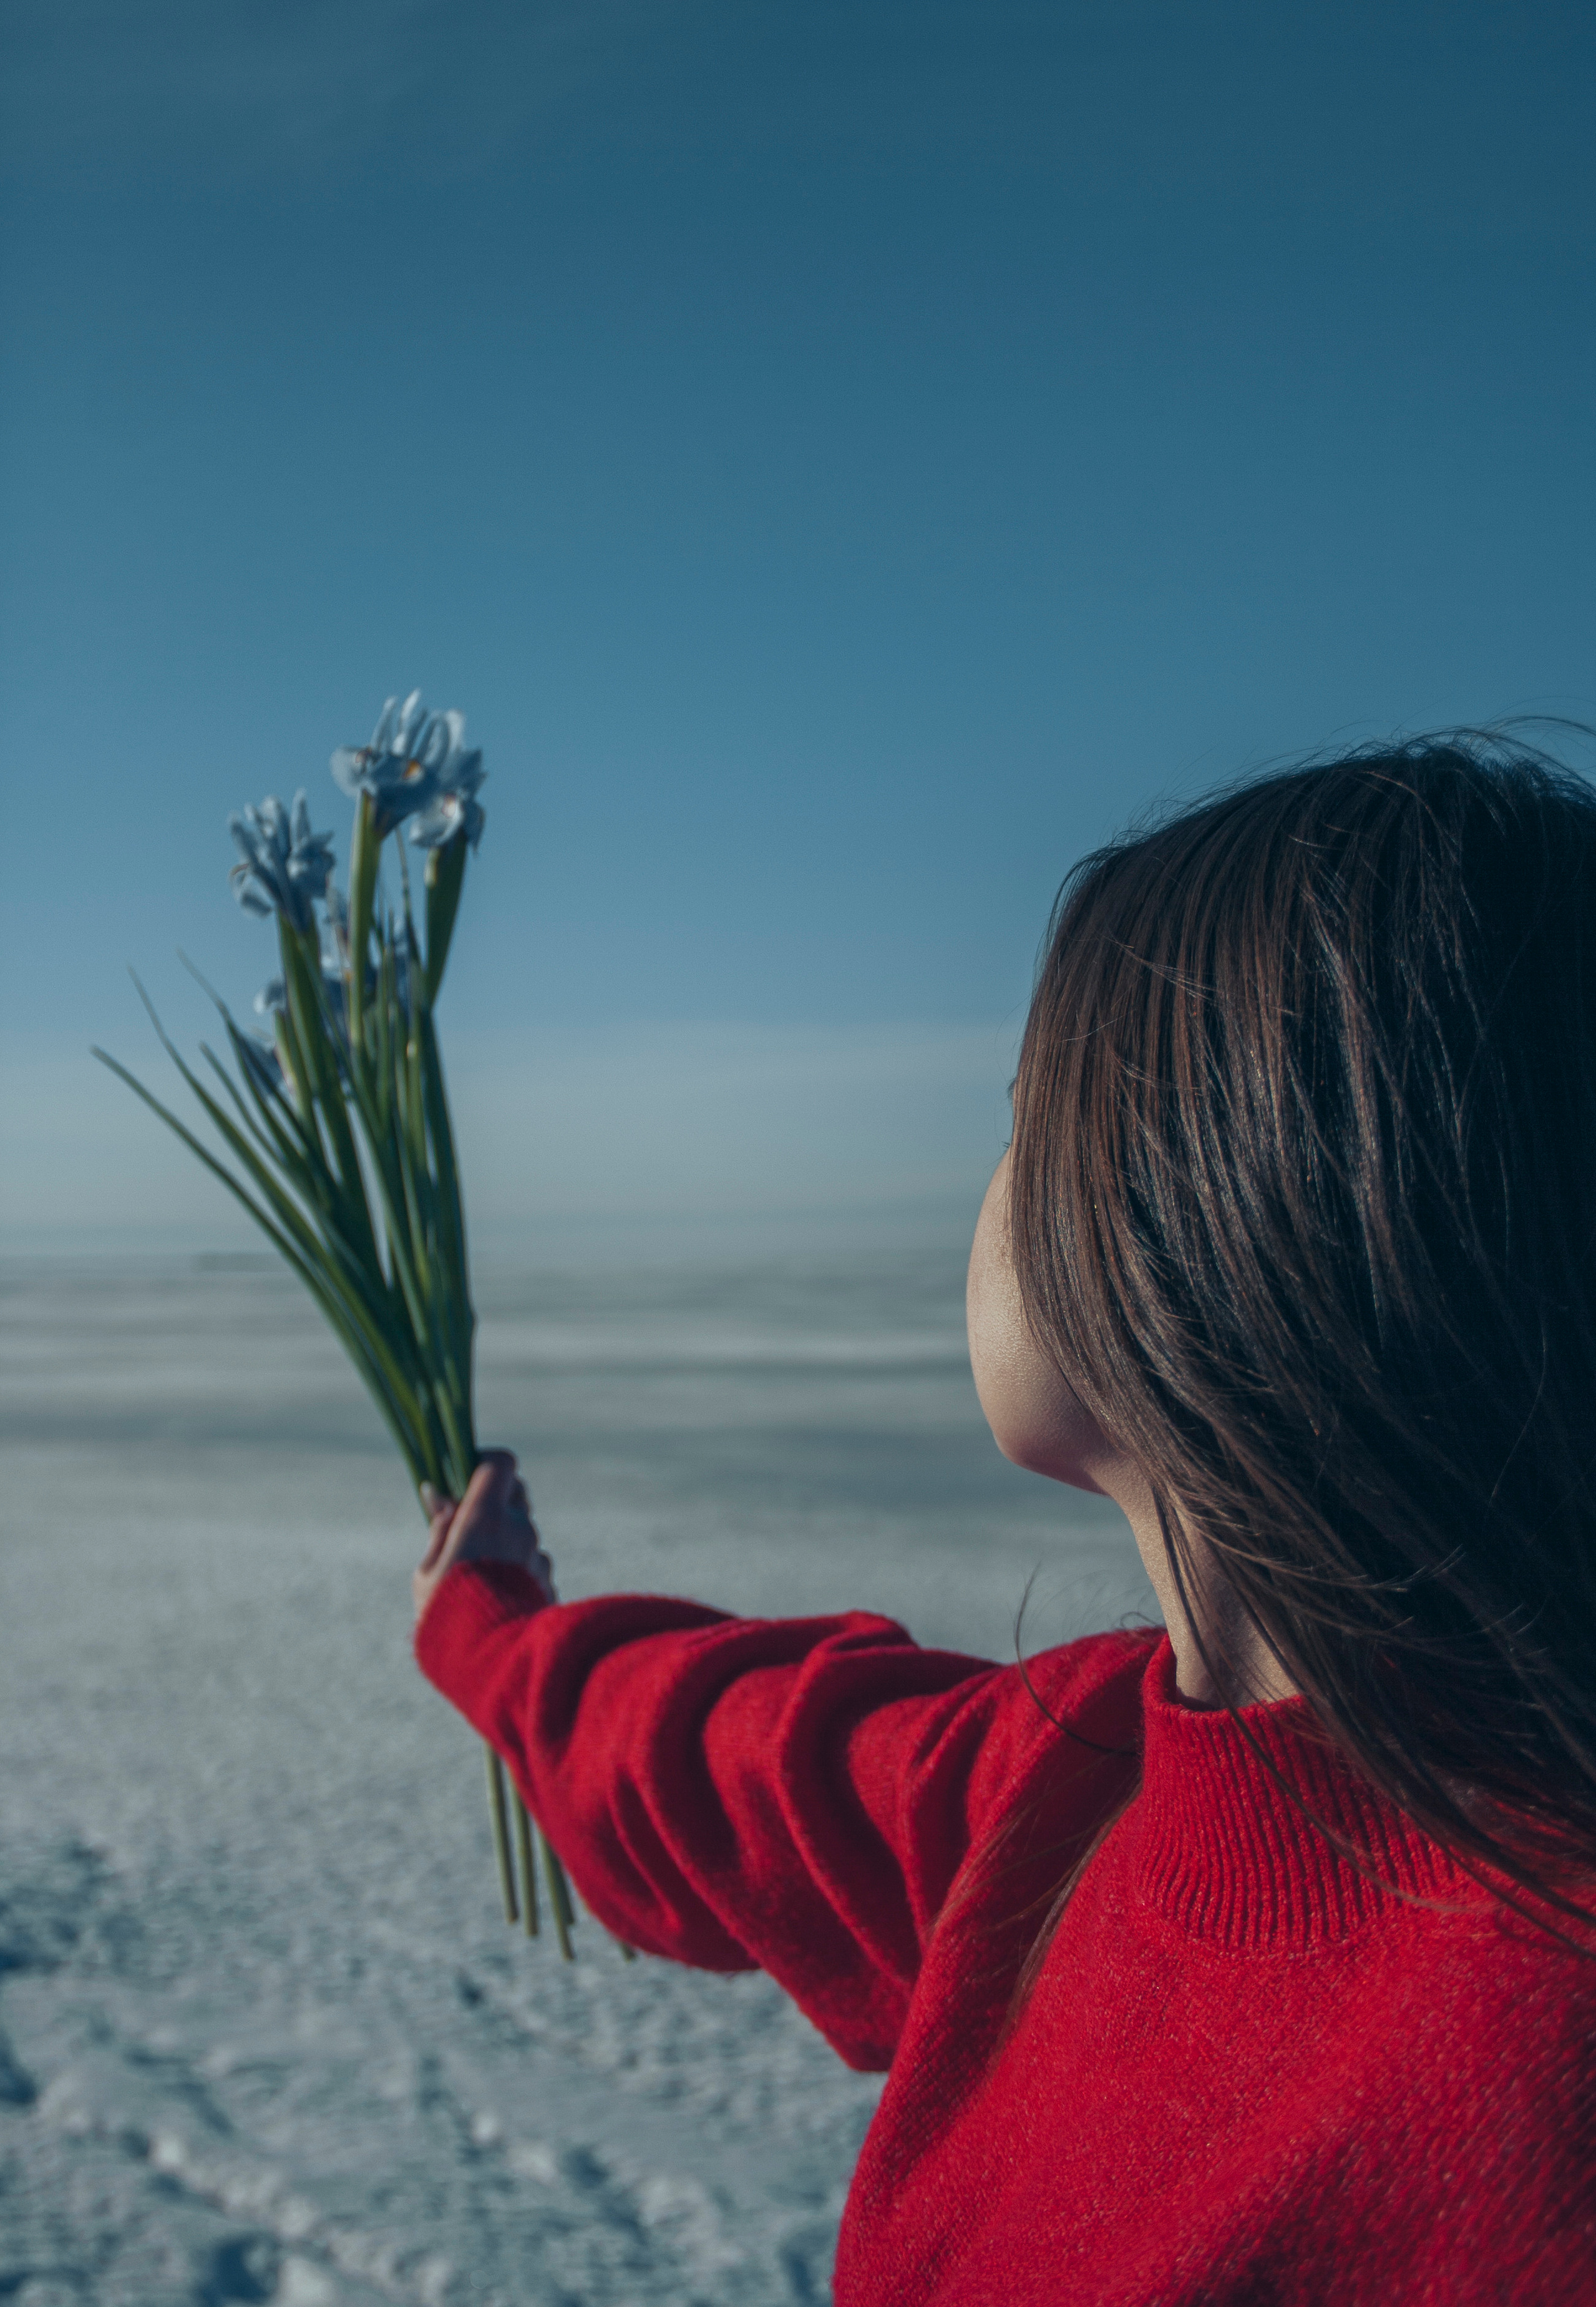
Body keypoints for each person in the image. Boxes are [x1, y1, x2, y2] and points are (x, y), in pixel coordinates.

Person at [412, 738, 1596, 2305]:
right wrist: (497, 1633)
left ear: (1209, 1203)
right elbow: (728, 1757)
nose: (994, 1183)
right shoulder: (1061, 1791)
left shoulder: (1544, 2029)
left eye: (1026, 1116)